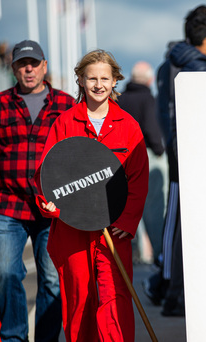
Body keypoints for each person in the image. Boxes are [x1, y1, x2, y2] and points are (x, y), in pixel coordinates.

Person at [0, 40, 75, 342]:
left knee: (52, 279)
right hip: (10, 207)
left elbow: (80, 152)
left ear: (44, 67)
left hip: (52, 209)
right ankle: (14, 337)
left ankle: (47, 339)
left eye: (34, 63)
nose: (29, 69)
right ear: (13, 68)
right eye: (22, 64)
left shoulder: (66, 105)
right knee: (7, 274)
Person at [36, 49, 149, 342]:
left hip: (115, 229)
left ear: (115, 82)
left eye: (105, 79)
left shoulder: (129, 127)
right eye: (92, 78)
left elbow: (138, 178)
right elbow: (46, 170)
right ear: (81, 81)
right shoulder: (64, 123)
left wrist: (128, 220)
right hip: (72, 228)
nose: (98, 85)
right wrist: (50, 204)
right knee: (79, 301)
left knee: (115, 298)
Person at [153, 4, 206, 317]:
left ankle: (169, 284)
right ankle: (167, 287)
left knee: (176, 220)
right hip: (189, 150)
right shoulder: (200, 67)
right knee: (179, 222)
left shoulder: (169, 63)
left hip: (175, 146)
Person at [117, 61, 166, 265]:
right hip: (146, 155)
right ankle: (158, 255)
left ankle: (135, 252)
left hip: (122, 157)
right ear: (150, 79)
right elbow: (151, 127)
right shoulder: (147, 98)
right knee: (153, 206)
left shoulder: (121, 98)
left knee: (129, 205)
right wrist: (160, 150)